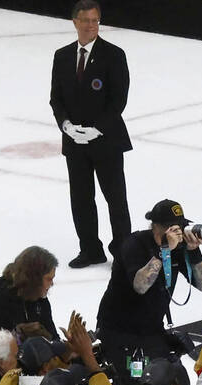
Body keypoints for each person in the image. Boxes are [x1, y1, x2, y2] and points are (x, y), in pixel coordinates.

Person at [95, 198, 202, 385]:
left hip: (152, 329)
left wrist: (194, 252)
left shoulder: (179, 248)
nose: (177, 232)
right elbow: (141, 285)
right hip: (120, 331)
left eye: (181, 227)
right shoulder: (134, 244)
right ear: (157, 226)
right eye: (172, 227)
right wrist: (164, 251)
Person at [49, 0, 131, 268]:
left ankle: (123, 251)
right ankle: (90, 248)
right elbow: (56, 99)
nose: (91, 25)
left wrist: (98, 128)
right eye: (86, 21)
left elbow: (118, 100)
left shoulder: (114, 54)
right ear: (75, 22)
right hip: (75, 142)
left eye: (95, 20)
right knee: (81, 198)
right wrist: (67, 126)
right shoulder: (62, 56)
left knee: (115, 197)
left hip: (106, 140)